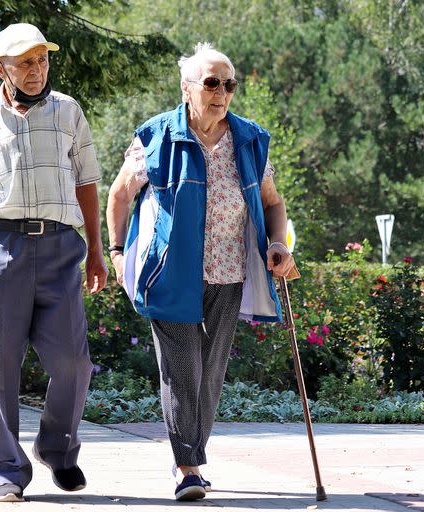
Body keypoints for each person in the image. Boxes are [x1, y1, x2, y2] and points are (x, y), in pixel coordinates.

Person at [106, 42, 296, 501]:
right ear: (187, 87)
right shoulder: (157, 137)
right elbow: (118, 196)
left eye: (228, 84)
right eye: (211, 83)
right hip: (168, 272)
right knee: (182, 369)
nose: (221, 92)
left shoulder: (249, 140)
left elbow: (272, 203)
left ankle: (192, 452)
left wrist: (278, 244)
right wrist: (116, 253)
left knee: (210, 372)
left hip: (229, 273)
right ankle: (188, 467)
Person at [0, 23, 107, 502]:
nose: (37, 71)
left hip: (59, 248)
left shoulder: (68, 112)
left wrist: (96, 249)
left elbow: (87, 183)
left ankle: (58, 448)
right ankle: (6, 470)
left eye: (43, 60)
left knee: (74, 362)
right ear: (1, 68)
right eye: (26, 62)